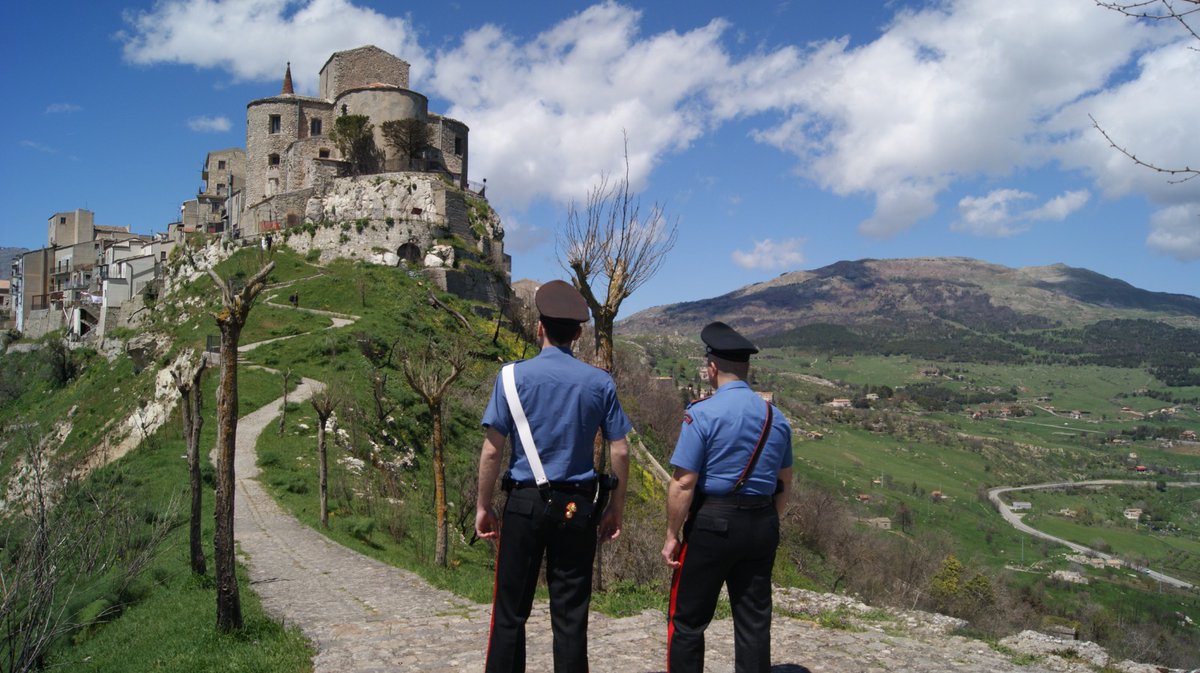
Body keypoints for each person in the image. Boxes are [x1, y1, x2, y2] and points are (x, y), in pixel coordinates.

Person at [476, 280, 632, 673]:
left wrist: (483, 506)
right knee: (570, 618)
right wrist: (615, 507)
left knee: (510, 613)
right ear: (578, 334)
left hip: (525, 506)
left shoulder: (511, 378)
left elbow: (493, 449)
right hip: (577, 509)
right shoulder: (599, 383)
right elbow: (620, 449)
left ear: (539, 327)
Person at [661, 321, 793, 673]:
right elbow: (785, 482)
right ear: (747, 368)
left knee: (688, 621)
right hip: (762, 523)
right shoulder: (776, 418)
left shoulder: (702, 414)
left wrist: (672, 535)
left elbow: (683, 484)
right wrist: (768, 520)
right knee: (753, 623)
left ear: (713, 367)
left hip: (712, 526)